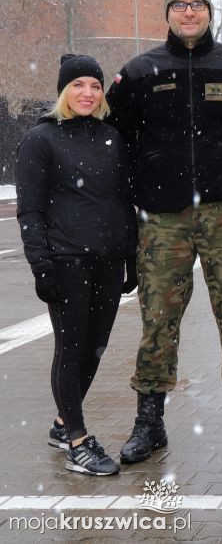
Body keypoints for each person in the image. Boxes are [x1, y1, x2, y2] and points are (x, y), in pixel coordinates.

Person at [107, 0, 222, 463]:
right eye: (180, 5)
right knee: (158, 318)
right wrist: (139, 186)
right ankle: (149, 422)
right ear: (167, 14)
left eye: (197, 5)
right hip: (163, 219)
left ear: (209, 12)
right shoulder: (140, 72)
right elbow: (113, 139)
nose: (189, 13)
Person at [17, 55, 138, 476]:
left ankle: (62, 423)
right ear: (63, 91)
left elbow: (124, 200)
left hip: (108, 260)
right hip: (66, 260)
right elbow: (29, 211)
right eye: (78, 85)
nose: (87, 93)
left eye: (95, 85)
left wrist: (132, 257)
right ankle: (78, 443)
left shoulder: (112, 137)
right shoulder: (41, 139)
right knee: (70, 350)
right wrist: (41, 266)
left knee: (95, 348)